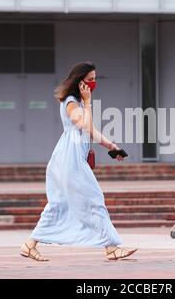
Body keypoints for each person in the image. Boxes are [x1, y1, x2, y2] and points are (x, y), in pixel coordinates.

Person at [20, 62, 137, 261]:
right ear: (79, 80)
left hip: (67, 157)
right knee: (94, 200)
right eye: (90, 79)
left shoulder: (78, 102)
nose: (93, 83)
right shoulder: (72, 101)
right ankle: (111, 248)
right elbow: (84, 125)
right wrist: (88, 102)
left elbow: (91, 130)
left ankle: (29, 245)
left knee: (58, 204)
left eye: (94, 79)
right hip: (70, 158)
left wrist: (112, 147)